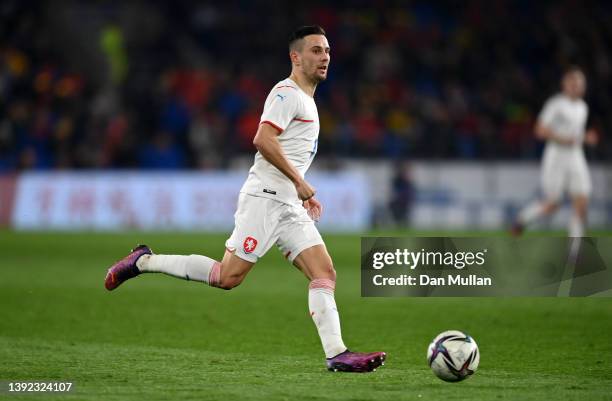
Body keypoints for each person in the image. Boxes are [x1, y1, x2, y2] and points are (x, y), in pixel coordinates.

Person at [104, 26, 386, 373]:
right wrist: (299, 182)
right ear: (295, 57)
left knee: (324, 271)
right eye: (315, 50)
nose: (324, 56)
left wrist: (300, 190)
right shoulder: (287, 93)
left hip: (288, 204)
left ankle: (337, 354)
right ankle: (143, 262)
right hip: (266, 199)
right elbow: (263, 139)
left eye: (327, 50)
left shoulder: (307, 100)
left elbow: (288, 150)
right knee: (228, 277)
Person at [512, 66, 599, 237]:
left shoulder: (583, 107)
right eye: (573, 82)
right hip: (556, 155)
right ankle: (522, 220)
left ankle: (574, 254)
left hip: (575, 155)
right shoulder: (556, 104)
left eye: (580, 83)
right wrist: (564, 139)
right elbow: (539, 130)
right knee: (553, 204)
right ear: (564, 84)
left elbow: (575, 135)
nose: (577, 86)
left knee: (582, 202)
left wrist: (586, 137)